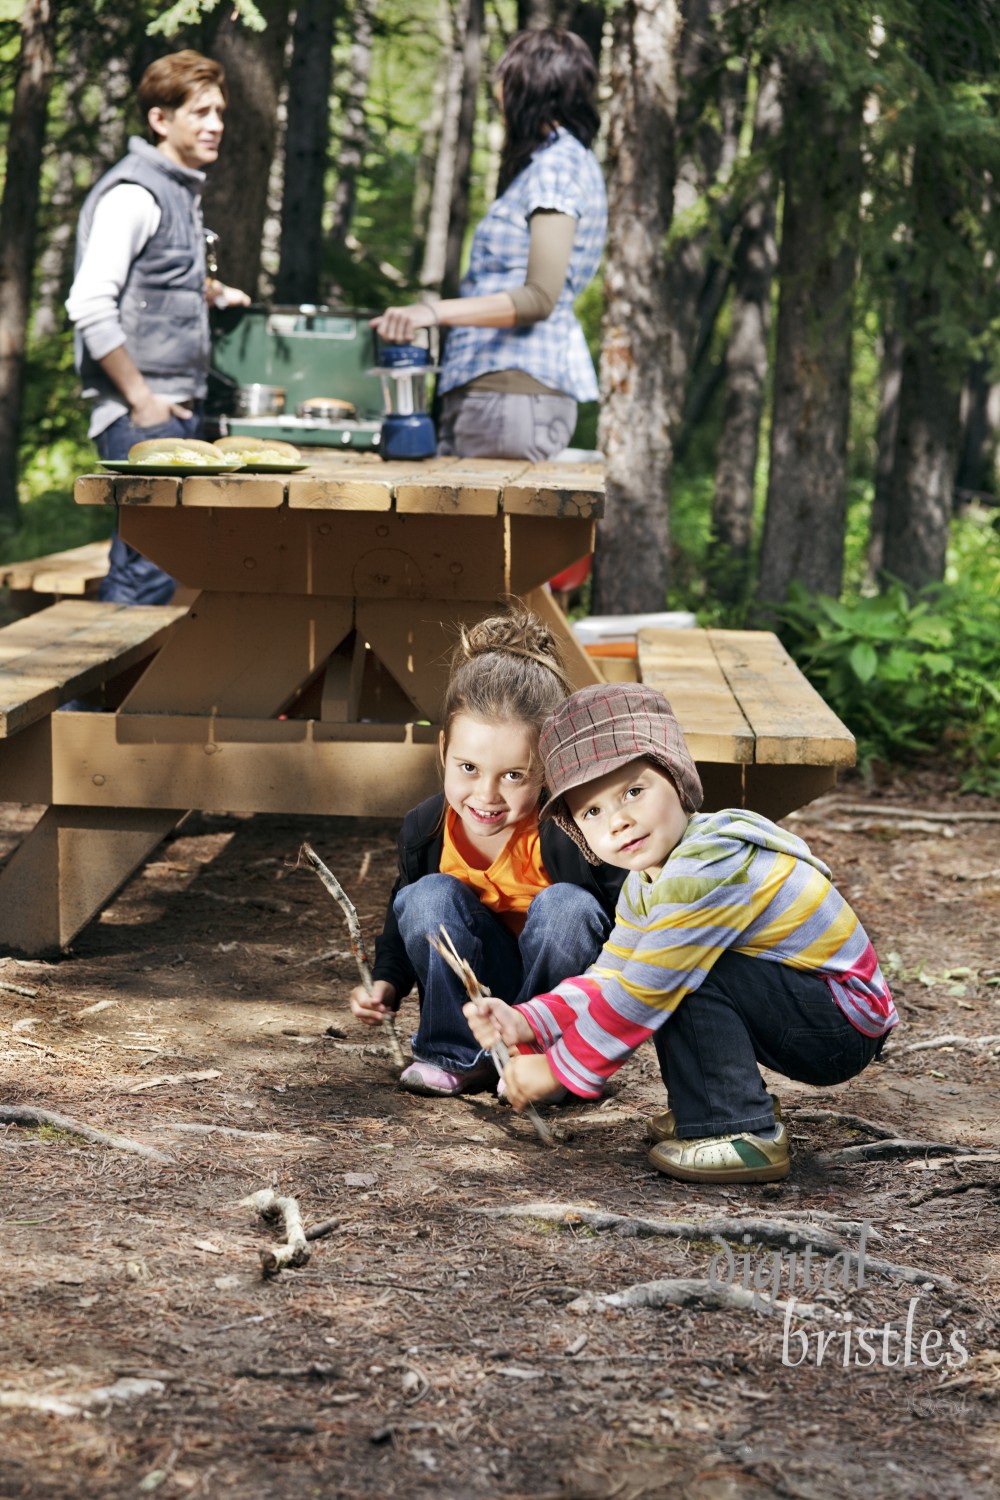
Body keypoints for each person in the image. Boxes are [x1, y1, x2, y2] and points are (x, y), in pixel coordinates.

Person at [463, 682, 899, 1183]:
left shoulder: (705, 866)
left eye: (633, 791)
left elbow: (646, 988)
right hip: (806, 1006)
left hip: (837, 1025)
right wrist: (527, 1022)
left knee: (677, 972)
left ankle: (737, 1127)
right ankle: (710, 1101)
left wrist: (559, 1068)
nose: (619, 821)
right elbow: (612, 974)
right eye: (592, 812)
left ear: (676, 778)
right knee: (671, 964)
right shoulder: (647, 881)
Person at [349, 608, 624, 1097]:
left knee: (569, 908)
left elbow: (624, 929)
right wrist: (386, 983)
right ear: (443, 751)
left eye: (514, 775)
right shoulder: (426, 830)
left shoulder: (573, 833)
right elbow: (400, 923)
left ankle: (547, 1065)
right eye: (469, 767)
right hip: (478, 991)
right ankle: (457, 1056)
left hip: (552, 993)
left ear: (547, 769)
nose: (487, 794)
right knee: (426, 896)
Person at [370, 27, 606, 462]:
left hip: (511, 397)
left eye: (504, 79)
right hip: (499, 397)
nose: (497, 94)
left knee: (478, 532)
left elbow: (539, 297)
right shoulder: (555, 164)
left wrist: (431, 312)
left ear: (527, 86)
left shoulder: (556, 168)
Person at [66, 50, 249, 605]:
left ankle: (106, 695)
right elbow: (89, 304)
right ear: (160, 119)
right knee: (144, 575)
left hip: (167, 417)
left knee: (159, 574)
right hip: (141, 419)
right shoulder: (135, 193)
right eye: (200, 112)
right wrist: (142, 399)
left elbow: (152, 287)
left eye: (219, 111)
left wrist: (210, 294)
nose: (215, 124)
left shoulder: (176, 189)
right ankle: (77, 698)